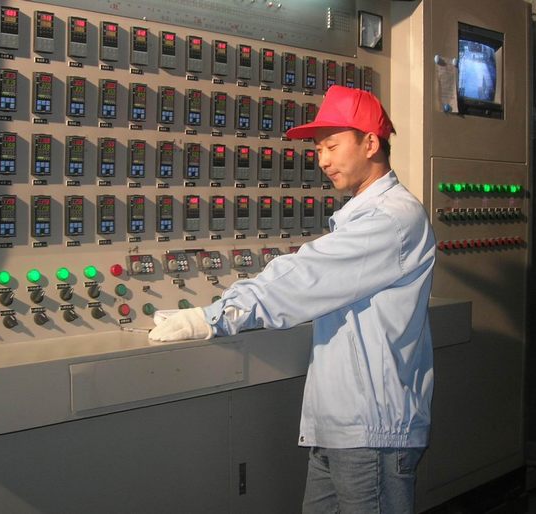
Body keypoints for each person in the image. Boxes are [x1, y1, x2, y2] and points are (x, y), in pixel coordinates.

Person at [149, 85, 436, 514]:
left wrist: (214, 316)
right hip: (339, 426)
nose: (323, 161)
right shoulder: (366, 215)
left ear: (370, 143)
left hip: (371, 432)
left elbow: (304, 277)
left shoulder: (390, 219)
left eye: (332, 146)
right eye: (318, 150)